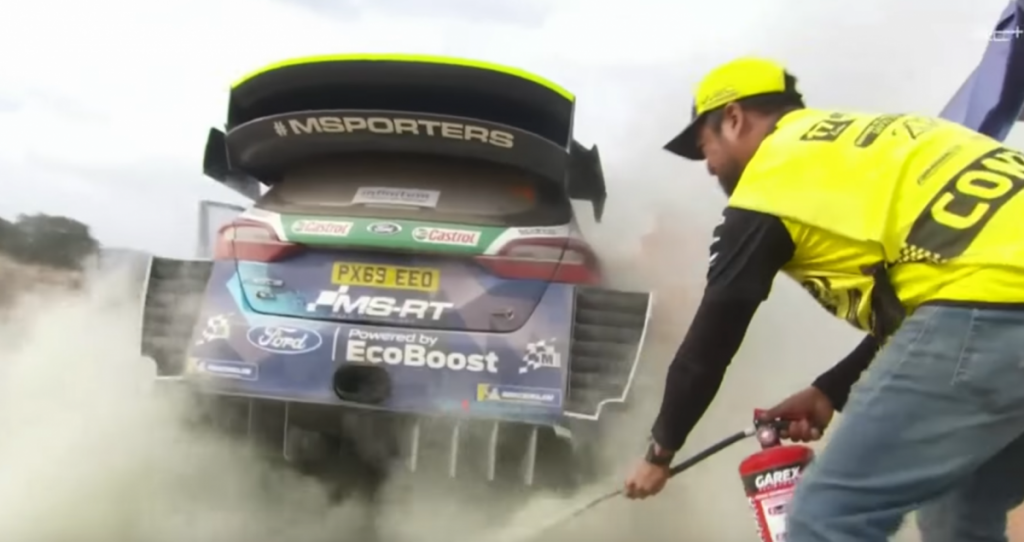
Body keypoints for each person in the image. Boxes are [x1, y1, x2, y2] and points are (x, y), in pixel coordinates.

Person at [622, 56, 1024, 542]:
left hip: (995, 302)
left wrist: (659, 453)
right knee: (961, 507)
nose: (708, 165)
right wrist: (830, 390)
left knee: (826, 515)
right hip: (996, 303)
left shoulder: (772, 178)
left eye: (705, 146)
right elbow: (929, 308)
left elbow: (709, 346)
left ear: (733, 118)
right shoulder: (871, 140)